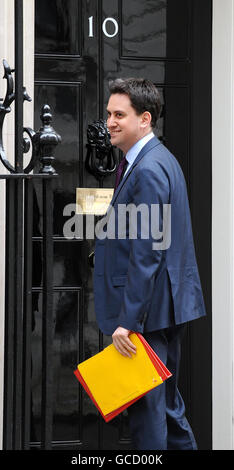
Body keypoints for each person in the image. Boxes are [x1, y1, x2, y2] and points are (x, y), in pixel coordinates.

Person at [93, 77, 206, 450]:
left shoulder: (148, 169)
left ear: (145, 119)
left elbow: (147, 251)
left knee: (150, 412)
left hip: (150, 313)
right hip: (164, 307)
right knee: (168, 409)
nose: (109, 121)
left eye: (119, 115)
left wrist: (129, 321)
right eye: (109, 113)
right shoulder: (155, 159)